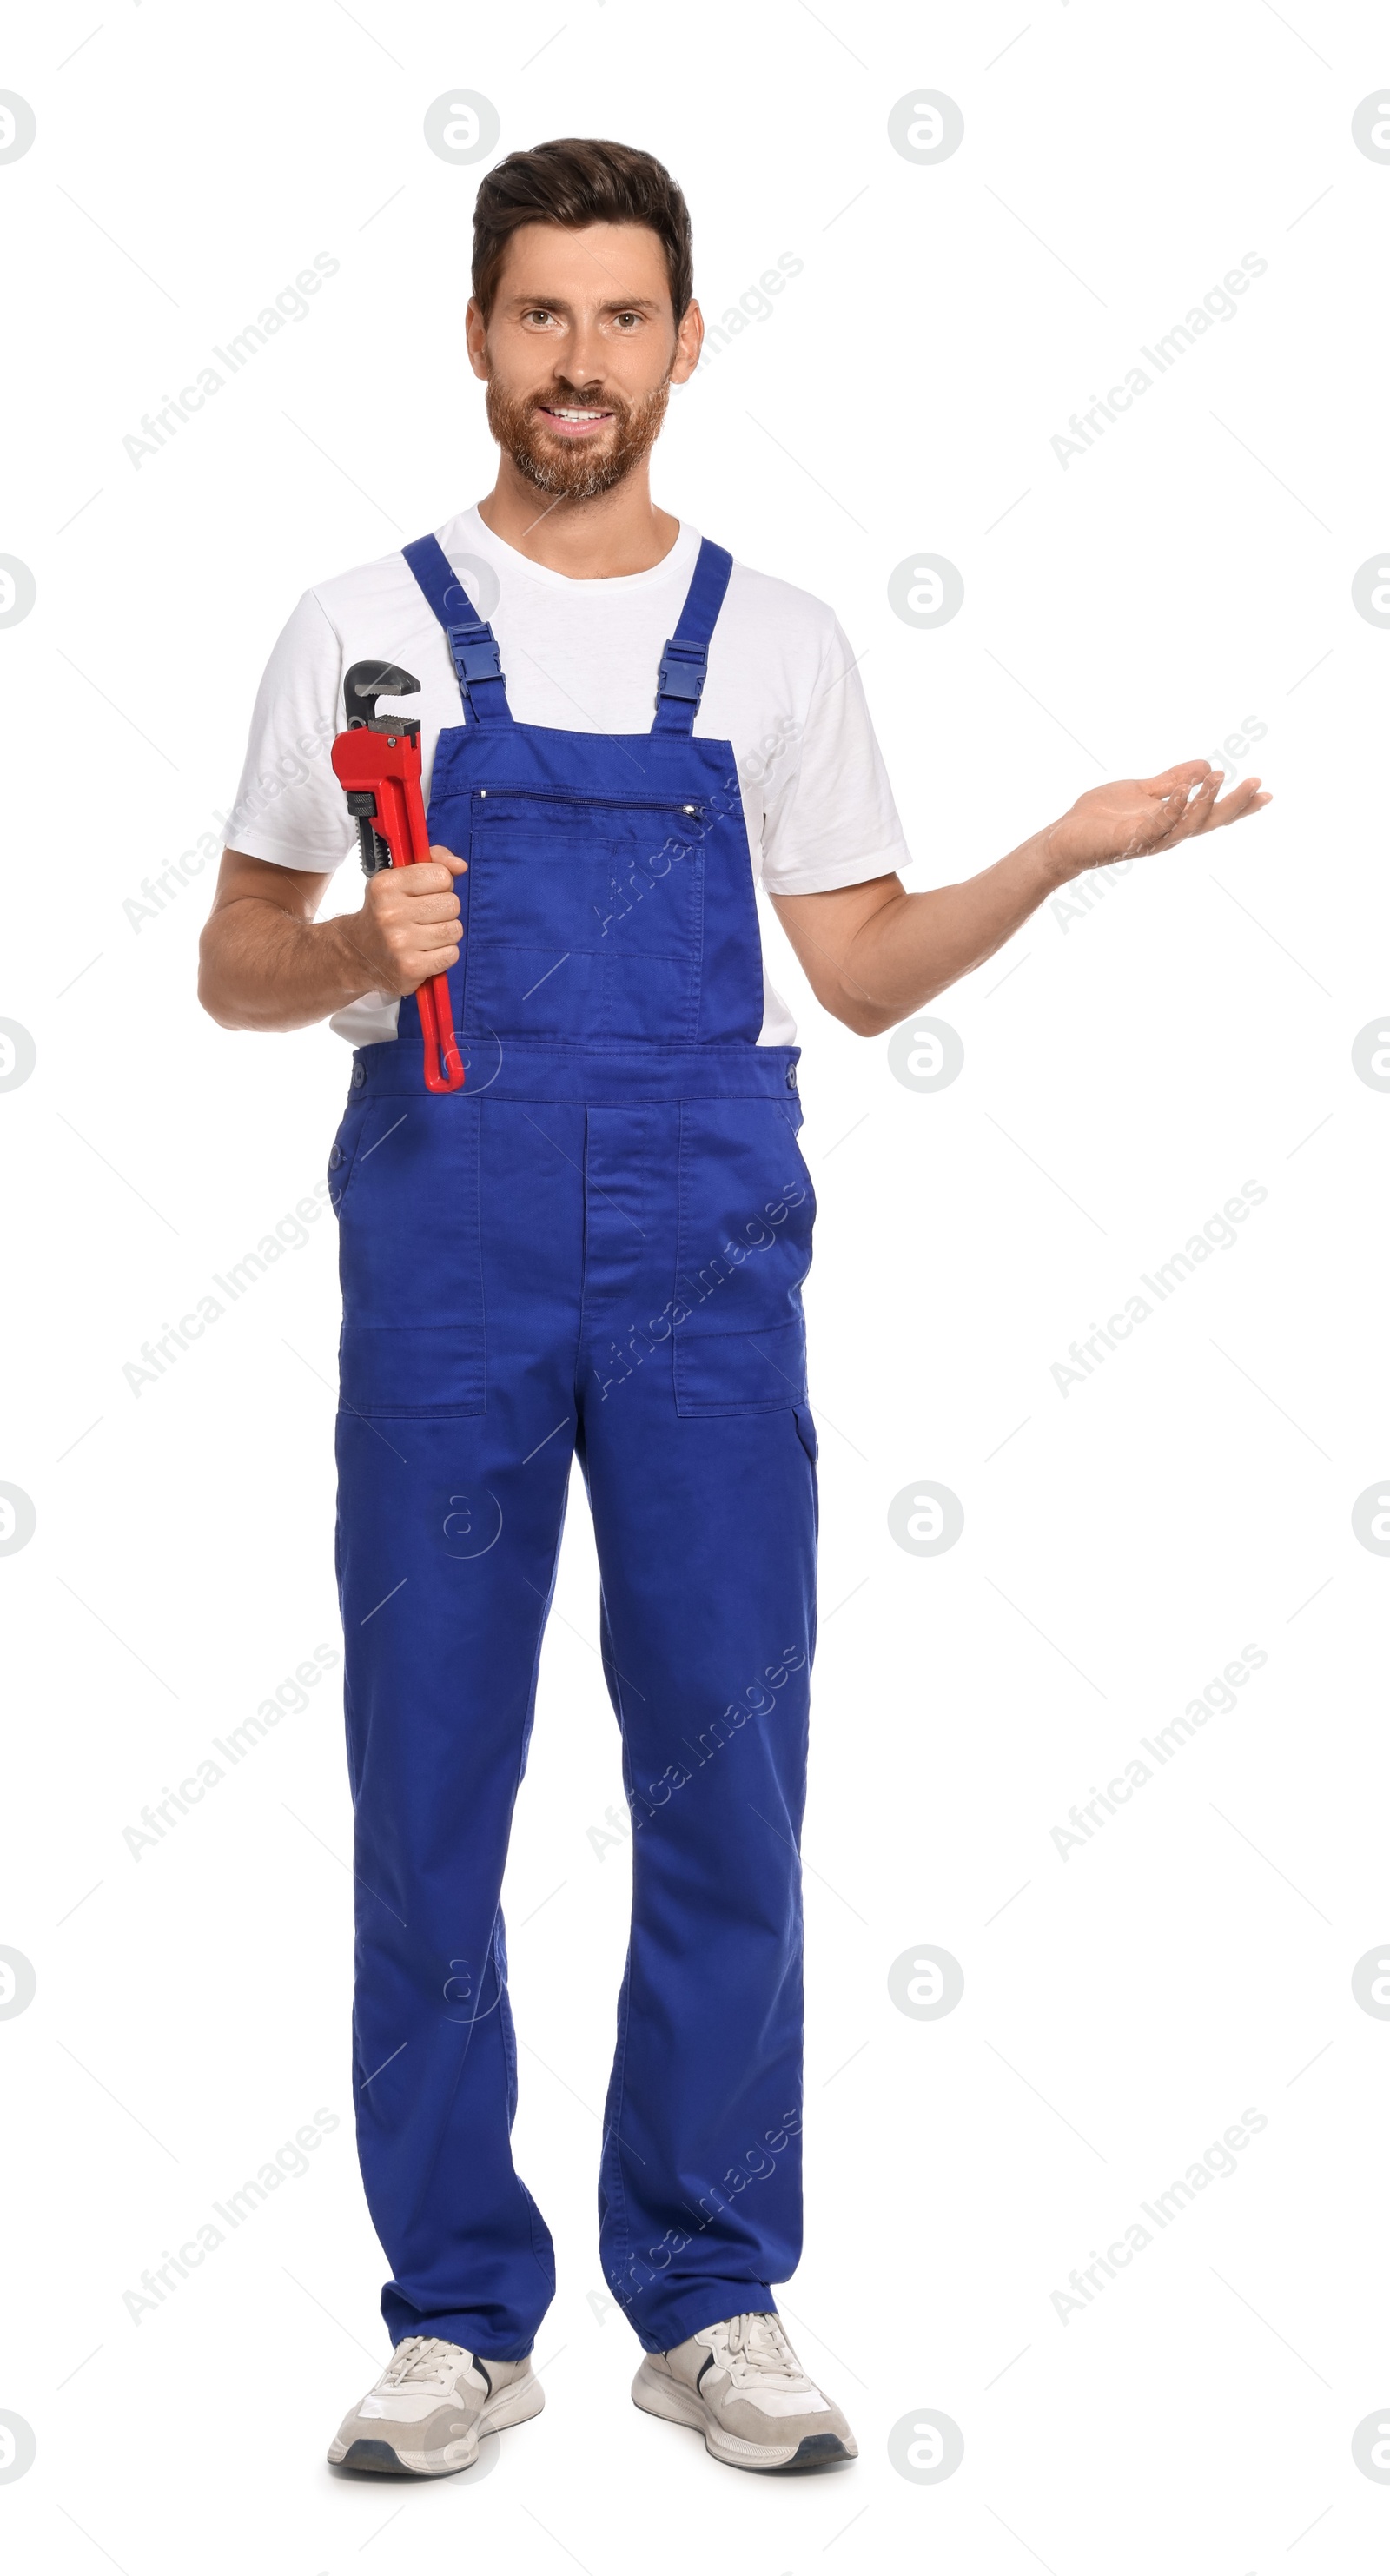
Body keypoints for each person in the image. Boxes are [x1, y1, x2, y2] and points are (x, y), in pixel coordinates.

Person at [198, 136, 1269, 2480]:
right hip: (449, 1272)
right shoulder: (351, 626)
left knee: (725, 1776)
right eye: (538, 315)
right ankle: (459, 2311)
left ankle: (708, 2292)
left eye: (620, 318)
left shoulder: (774, 642)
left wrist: (1059, 853)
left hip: (702, 1277)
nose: (576, 363)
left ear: (685, 343)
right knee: (428, 1787)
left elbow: (862, 970)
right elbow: (229, 963)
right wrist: (349, 957)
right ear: (476, 335)